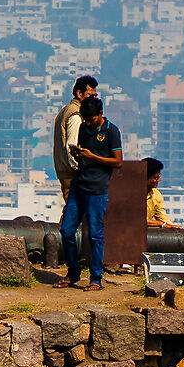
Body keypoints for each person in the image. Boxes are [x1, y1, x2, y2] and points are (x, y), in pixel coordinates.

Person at [61, 94, 121, 290]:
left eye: (92, 119)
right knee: (66, 230)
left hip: (97, 189)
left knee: (95, 235)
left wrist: (93, 156)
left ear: (100, 114)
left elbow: (117, 161)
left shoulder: (111, 131)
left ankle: (96, 278)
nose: (89, 123)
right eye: (86, 120)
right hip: (79, 185)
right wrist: (78, 154)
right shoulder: (83, 128)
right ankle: (73, 272)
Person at [144, 157, 171, 226]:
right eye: (156, 178)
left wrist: (174, 227)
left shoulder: (156, 194)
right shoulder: (131, 195)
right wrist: (161, 224)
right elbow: (136, 220)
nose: (159, 180)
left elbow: (162, 217)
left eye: (159, 177)